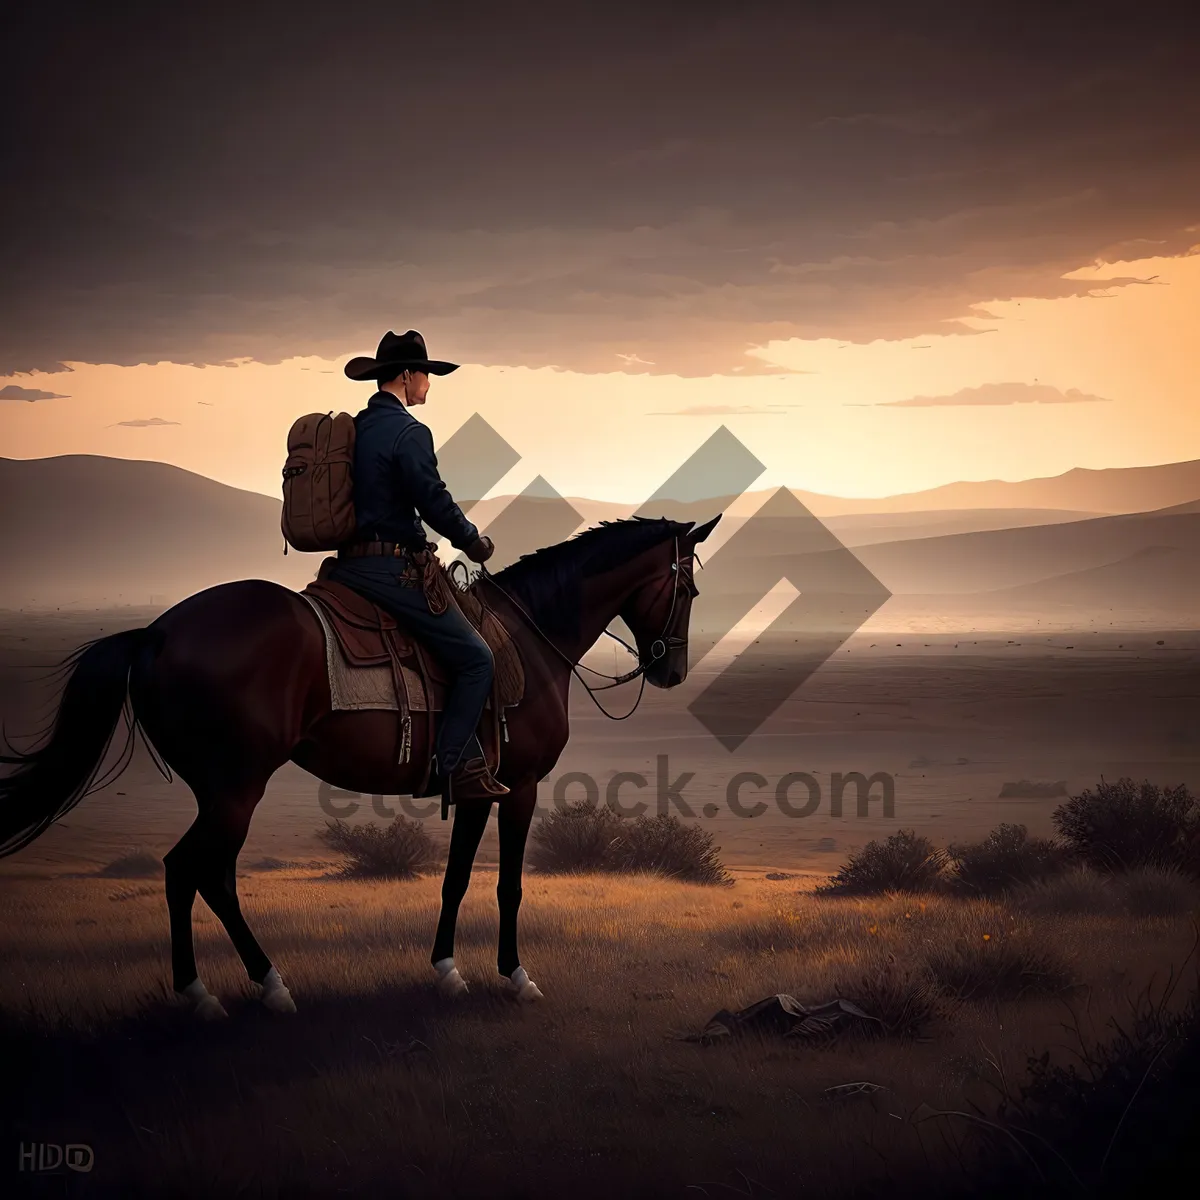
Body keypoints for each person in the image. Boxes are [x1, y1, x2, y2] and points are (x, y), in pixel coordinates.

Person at [330, 329, 509, 803]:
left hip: (348, 568)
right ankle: (452, 767)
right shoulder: (409, 432)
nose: (429, 383)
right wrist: (472, 542)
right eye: (426, 374)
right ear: (407, 376)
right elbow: (432, 499)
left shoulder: (358, 428)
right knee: (477, 659)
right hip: (392, 572)